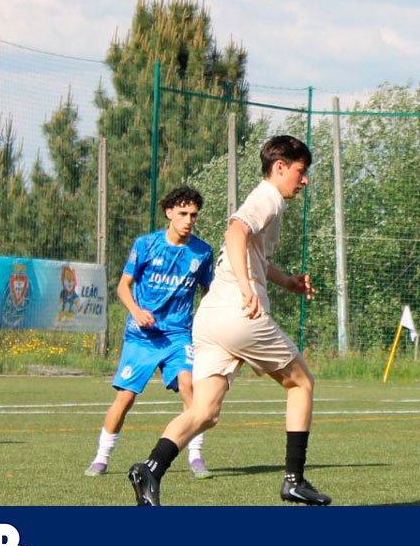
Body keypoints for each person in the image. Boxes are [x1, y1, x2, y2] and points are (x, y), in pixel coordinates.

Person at [127, 135, 331, 506]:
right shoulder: (268, 197)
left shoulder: (266, 201)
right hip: (240, 313)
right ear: (280, 167)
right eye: (301, 171)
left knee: (204, 411)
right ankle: (294, 479)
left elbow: (253, 254)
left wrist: (286, 281)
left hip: (210, 318)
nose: (304, 180)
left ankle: (150, 469)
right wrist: (247, 287)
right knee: (301, 383)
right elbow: (235, 231)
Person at [85, 186, 215, 478]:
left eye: (193, 215)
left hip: (178, 334)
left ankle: (196, 457)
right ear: (169, 213)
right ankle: (101, 458)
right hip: (142, 336)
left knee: (189, 387)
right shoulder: (146, 244)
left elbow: (209, 292)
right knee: (126, 397)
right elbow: (123, 286)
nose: (188, 220)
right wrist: (136, 311)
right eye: (183, 213)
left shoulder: (203, 252)